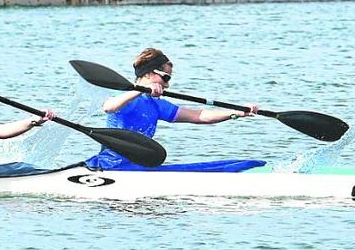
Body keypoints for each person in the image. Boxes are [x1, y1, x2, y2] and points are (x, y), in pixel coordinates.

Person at [85, 47, 264, 172]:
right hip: (111, 166)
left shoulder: (157, 105)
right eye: (165, 78)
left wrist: (237, 112)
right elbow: (108, 107)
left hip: (140, 165)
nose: (167, 85)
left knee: (237, 165)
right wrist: (140, 90)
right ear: (149, 74)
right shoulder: (126, 99)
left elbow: (199, 116)